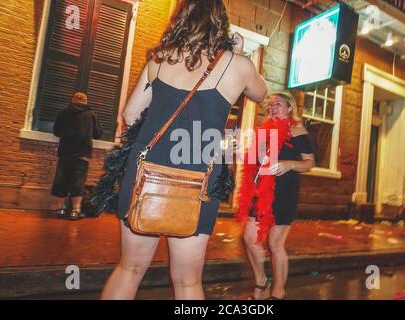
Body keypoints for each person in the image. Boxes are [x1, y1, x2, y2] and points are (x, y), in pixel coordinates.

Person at [101, 0, 267, 300]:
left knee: (130, 269)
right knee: (188, 282)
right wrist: (239, 54)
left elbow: (129, 115)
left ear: (181, 19)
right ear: (220, 23)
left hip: (145, 172)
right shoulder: (237, 65)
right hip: (197, 176)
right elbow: (260, 92)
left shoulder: (160, 59)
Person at [237, 91, 316, 300]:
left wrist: (290, 164)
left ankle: (278, 292)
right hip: (261, 192)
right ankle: (261, 281)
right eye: (270, 105)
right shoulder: (263, 131)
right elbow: (256, 161)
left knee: (275, 244)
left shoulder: (297, 131)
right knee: (249, 237)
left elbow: (310, 163)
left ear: (289, 107)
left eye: (278, 104)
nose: (272, 108)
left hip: (284, 193)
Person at [52, 92, 103, 220]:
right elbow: (98, 134)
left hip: (65, 153)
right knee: (78, 182)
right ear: (85, 101)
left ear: (73, 100)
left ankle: (60, 210)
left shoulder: (63, 113)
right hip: (82, 154)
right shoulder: (91, 114)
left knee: (61, 181)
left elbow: (56, 132)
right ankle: (75, 211)